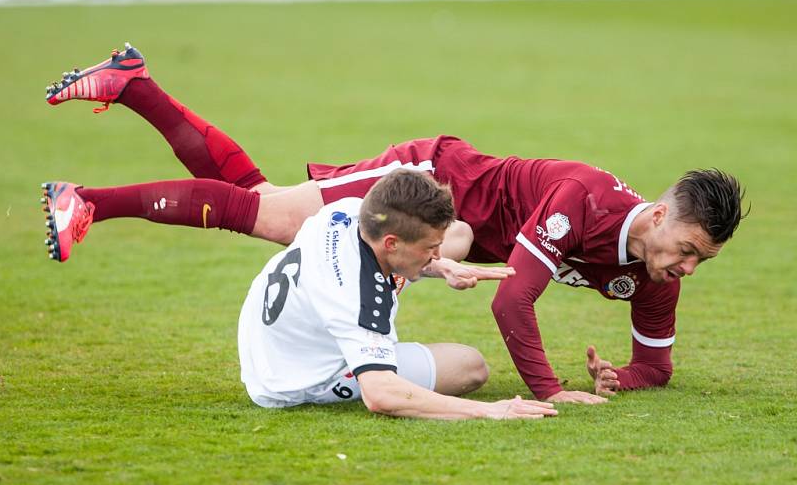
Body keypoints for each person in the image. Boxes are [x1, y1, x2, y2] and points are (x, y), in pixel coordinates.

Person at [43, 43, 747, 404]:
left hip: (454, 227)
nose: (686, 269)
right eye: (686, 250)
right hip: (433, 184)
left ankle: (133, 83)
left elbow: (656, 366)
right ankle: (89, 201)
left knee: (259, 196)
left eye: (699, 262)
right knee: (270, 215)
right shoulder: (583, 200)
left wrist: (621, 377)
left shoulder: (654, 267)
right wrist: (551, 392)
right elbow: (512, 298)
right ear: (657, 216)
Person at [234, 168, 556, 419]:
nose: (436, 255)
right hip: (291, 380)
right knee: (469, 366)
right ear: (392, 243)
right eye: (430, 249)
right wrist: (490, 410)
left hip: (264, 341)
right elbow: (380, 395)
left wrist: (440, 266)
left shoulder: (348, 211)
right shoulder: (360, 298)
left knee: (460, 235)